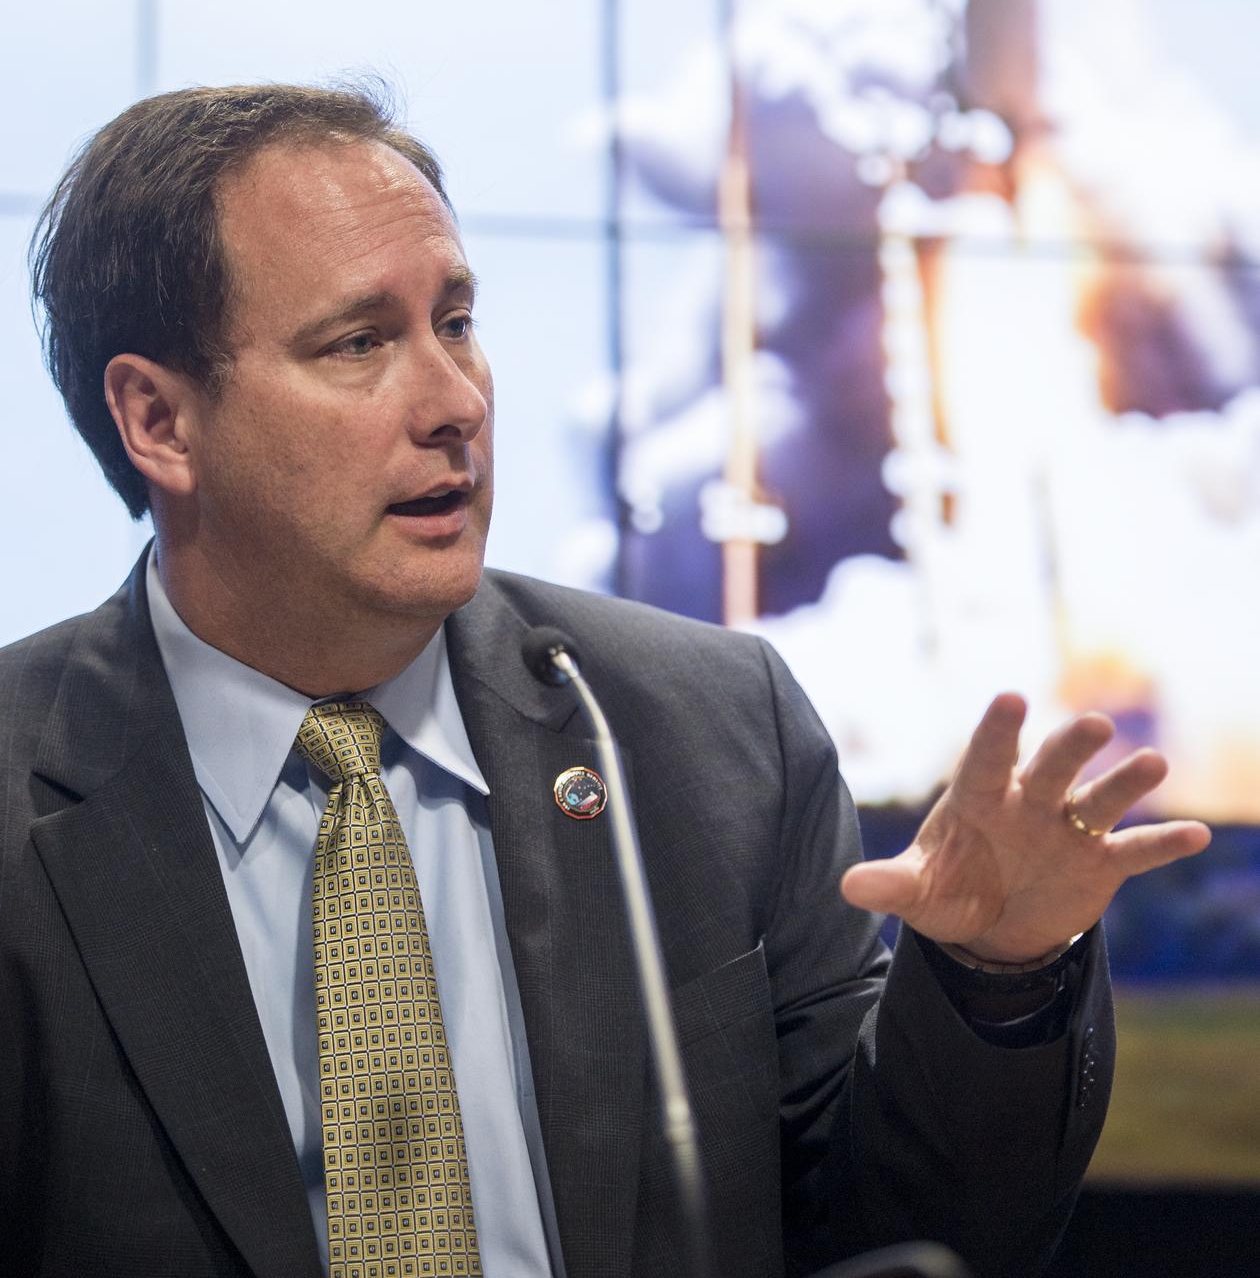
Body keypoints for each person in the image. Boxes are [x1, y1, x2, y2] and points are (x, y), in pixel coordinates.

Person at [0, 83, 1210, 1278]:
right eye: (361, 341)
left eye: (457, 321)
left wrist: (997, 978)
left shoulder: (711, 729)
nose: (454, 400)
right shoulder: (22, 796)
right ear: (159, 419)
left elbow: (899, 1231)